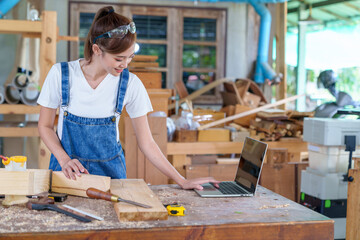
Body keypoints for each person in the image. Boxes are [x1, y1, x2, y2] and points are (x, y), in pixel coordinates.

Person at [37, 6, 219, 190]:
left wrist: (182, 180)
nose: (125, 64)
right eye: (119, 59)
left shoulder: (130, 84)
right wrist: (64, 159)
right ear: (97, 49)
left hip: (110, 177)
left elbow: (147, 142)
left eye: (130, 57)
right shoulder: (61, 74)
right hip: (67, 173)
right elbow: (44, 126)